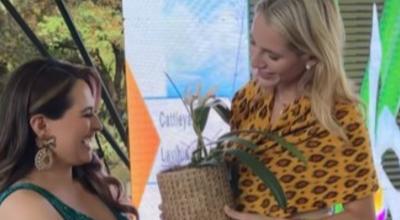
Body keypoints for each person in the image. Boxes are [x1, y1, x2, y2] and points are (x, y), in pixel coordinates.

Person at [223, 0, 379, 219]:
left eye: (272, 56)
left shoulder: (339, 118)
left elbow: (362, 216)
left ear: (312, 55)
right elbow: (236, 189)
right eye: (253, 43)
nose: (255, 61)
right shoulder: (246, 99)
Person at [0, 58, 139, 220]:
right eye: (87, 114)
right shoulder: (21, 207)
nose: (98, 125)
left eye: (95, 113)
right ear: (42, 126)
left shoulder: (95, 184)